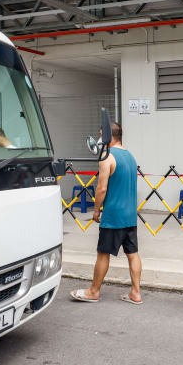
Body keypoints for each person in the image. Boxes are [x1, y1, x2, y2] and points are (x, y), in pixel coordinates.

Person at [71, 122, 142, 305]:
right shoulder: (130, 156)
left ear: (109, 136)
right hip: (130, 216)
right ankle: (136, 293)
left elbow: (101, 188)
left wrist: (96, 210)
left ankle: (93, 291)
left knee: (103, 253)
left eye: (101, 134)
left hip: (113, 216)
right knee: (132, 253)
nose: (99, 138)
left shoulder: (107, 157)